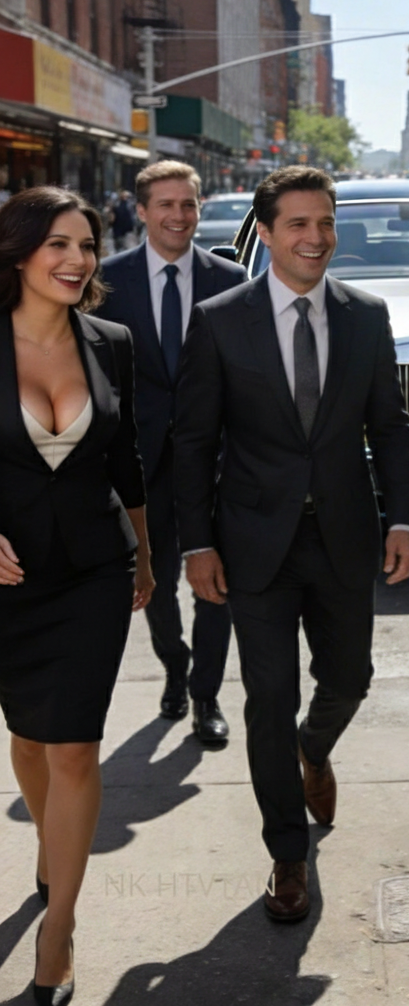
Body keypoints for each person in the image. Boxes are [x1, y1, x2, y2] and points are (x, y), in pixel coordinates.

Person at [174, 165, 409, 922]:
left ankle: (315, 748)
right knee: (267, 699)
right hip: (254, 545)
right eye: (298, 226)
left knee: (349, 679)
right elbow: (193, 441)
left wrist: (404, 519)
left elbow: (389, 426)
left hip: (345, 536)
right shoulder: (220, 319)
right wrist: (196, 544)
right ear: (267, 232)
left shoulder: (366, 315)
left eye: (325, 223)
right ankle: (287, 853)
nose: (316, 239)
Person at [0, 186, 154, 1002]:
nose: (76, 259)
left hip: (96, 565)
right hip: (8, 574)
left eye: (87, 245)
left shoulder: (112, 341)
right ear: (21, 252)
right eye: (58, 243)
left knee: (73, 747)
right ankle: (52, 853)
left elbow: (124, 455)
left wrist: (146, 551)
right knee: (27, 738)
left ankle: (58, 926)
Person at [95, 161, 246, 745]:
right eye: (165, 204)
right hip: (142, 461)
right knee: (152, 581)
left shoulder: (231, 278)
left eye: (188, 204)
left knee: (216, 585)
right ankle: (174, 668)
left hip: (218, 462)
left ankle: (207, 693)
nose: (178, 216)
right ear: (142, 211)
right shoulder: (108, 280)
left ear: (199, 207)